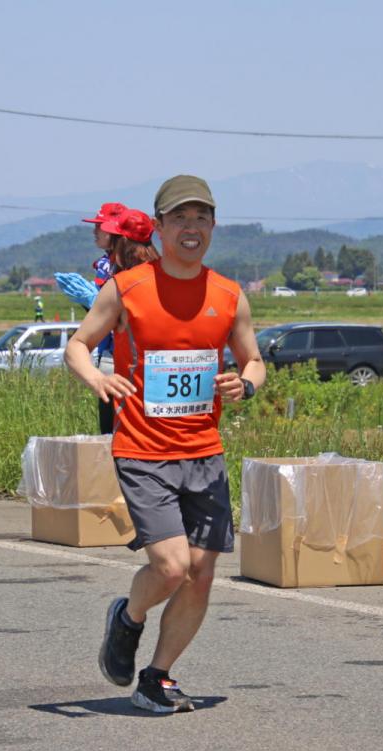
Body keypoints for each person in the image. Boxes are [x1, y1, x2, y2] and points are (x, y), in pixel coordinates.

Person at [65, 175, 266, 713]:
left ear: (213, 227)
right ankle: (128, 617)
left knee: (201, 574)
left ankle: (157, 677)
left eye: (201, 218)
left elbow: (254, 360)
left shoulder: (228, 295)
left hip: (204, 451)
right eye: (180, 218)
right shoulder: (128, 287)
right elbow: (78, 346)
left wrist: (243, 383)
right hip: (142, 448)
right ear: (160, 227)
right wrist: (98, 380)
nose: (192, 228)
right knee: (172, 567)